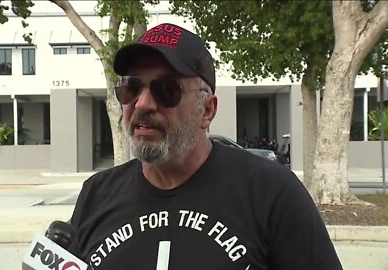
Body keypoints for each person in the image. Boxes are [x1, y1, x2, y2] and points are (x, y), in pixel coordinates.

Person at [68, 23, 342, 269]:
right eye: (131, 88)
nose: (142, 104)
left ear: (207, 110)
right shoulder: (96, 194)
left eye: (166, 90)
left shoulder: (271, 192)